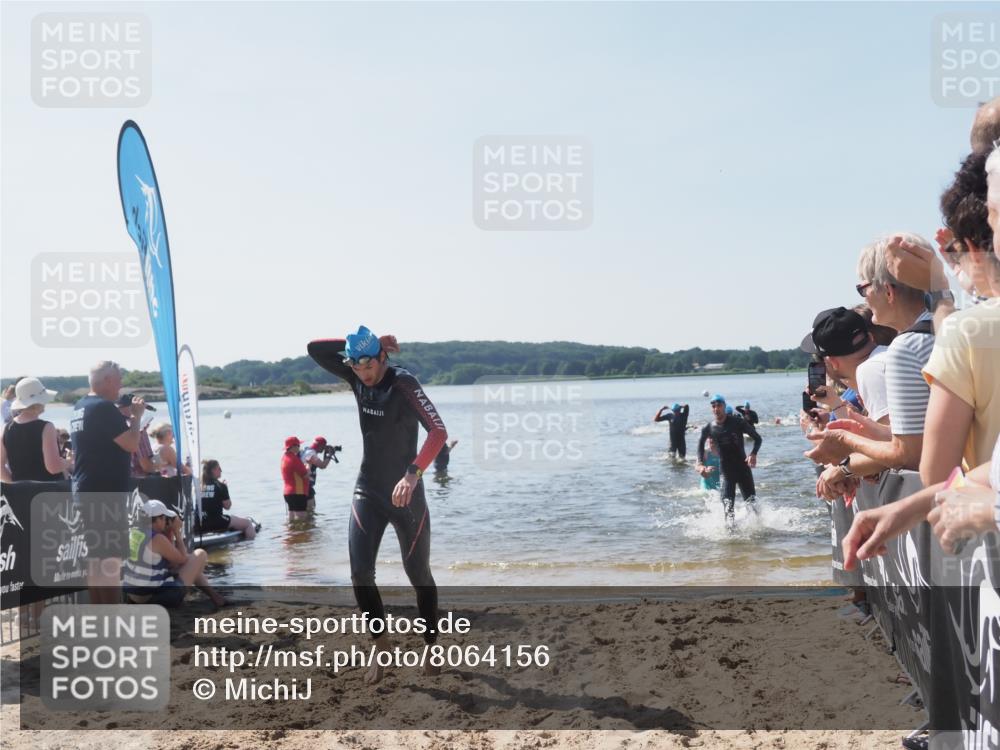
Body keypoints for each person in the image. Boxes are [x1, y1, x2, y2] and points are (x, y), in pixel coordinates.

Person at [308, 325, 447, 684]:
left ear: (383, 360)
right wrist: (363, 347)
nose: (365, 374)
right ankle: (381, 641)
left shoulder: (403, 383)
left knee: (419, 575)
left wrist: (413, 473)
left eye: (369, 365)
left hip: (406, 492)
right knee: (359, 573)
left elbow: (438, 432)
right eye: (356, 366)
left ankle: (431, 643)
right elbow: (314, 349)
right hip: (368, 489)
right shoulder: (355, 376)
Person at [806, 233, 937, 472]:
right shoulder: (948, 327)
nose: (864, 298)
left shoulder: (905, 348)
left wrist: (845, 448)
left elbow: (908, 455)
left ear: (888, 292)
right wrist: (859, 424)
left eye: (863, 288)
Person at [71, 361, 146, 605]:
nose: (121, 385)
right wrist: (135, 418)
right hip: (105, 492)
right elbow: (132, 445)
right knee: (111, 560)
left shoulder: (79, 406)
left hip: (85, 489)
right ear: (106, 381)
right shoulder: (104, 408)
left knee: (96, 560)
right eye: (118, 380)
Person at [799, 307, 892, 500]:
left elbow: (894, 448)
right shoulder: (884, 356)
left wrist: (843, 470)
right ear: (870, 338)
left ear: (832, 362)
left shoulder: (871, 370)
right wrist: (835, 403)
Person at [123, 499, 227, 608]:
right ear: (158, 519)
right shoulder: (157, 539)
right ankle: (216, 598)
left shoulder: (134, 532)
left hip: (134, 595)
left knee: (189, 565)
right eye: (164, 518)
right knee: (200, 554)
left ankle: (216, 597)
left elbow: (171, 563)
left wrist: (169, 533)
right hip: (152, 599)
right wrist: (177, 532)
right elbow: (182, 559)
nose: (165, 521)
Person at [695, 394, 762, 520]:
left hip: (743, 470)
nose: (716, 409)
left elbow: (758, 439)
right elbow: (699, 447)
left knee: (752, 506)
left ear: (724, 407)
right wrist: (700, 465)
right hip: (726, 472)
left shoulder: (737, 422)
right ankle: (731, 533)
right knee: (727, 510)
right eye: (713, 406)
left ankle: (760, 532)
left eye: (719, 406)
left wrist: (753, 454)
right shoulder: (708, 428)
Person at [0, 377, 69, 482]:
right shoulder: (46, 427)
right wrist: (69, 461)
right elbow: (53, 468)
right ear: (38, 402)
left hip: (19, 495)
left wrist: (14, 485)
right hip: (47, 494)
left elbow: (0, 467)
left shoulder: (6, 428)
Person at [198, 459, 256, 539]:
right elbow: (228, 506)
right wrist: (225, 489)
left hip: (199, 523)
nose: (221, 470)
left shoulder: (198, 486)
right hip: (216, 521)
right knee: (248, 523)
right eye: (219, 468)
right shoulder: (220, 485)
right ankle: (248, 547)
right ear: (213, 470)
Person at [117, 394, 158, 478]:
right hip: (135, 482)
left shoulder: (111, 425)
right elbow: (146, 466)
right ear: (135, 407)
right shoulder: (138, 429)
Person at [300, 436, 334, 512]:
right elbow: (323, 465)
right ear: (320, 446)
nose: (324, 449)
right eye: (324, 447)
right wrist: (330, 455)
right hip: (306, 485)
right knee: (310, 511)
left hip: (303, 484)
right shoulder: (311, 454)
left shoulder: (307, 450)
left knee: (308, 511)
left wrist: (326, 454)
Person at [281, 436, 311, 521]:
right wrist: (308, 466)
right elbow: (305, 475)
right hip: (298, 492)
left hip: (288, 493)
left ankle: (291, 534)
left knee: (291, 519)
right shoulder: (294, 459)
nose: (299, 447)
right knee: (302, 521)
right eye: (298, 445)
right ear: (293, 446)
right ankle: (302, 534)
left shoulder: (284, 458)